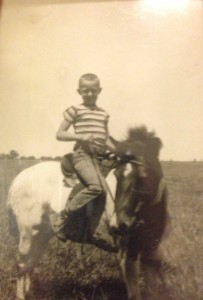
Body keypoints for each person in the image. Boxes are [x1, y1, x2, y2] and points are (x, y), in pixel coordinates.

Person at [52, 73, 115, 243]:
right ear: (79, 91)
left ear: (99, 90)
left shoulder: (103, 114)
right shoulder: (75, 110)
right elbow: (60, 134)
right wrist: (81, 137)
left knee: (105, 195)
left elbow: (106, 138)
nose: (89, 94)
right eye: (85, 91)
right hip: (83, 155)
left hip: (101, 157)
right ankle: (63, 215)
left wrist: (120, 150)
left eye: (93, 90)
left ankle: (88, 232)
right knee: (96, 188)